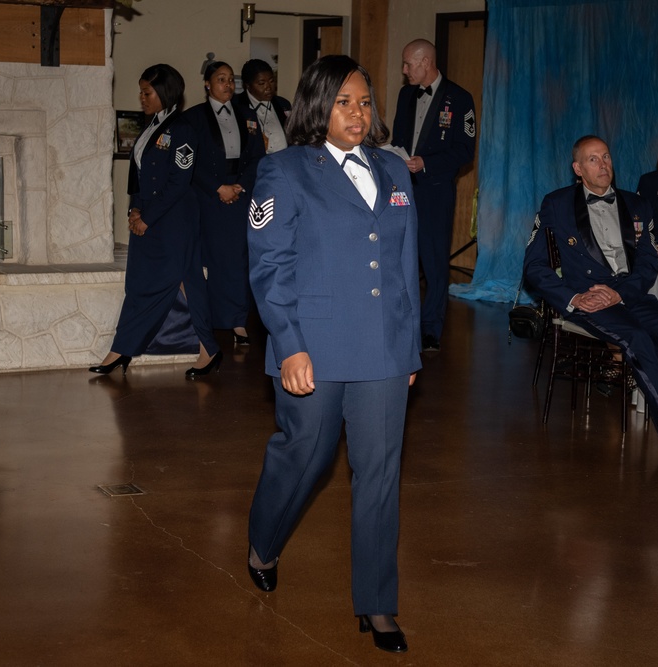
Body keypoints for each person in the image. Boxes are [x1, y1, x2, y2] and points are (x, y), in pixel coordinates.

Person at [245, 55, 420, 653]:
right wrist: (288, 346)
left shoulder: (395, 175)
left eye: (365, 102)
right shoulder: (284, 170)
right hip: (313, 349)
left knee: (379, 474)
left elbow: (403, 269)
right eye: (344, 102)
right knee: (305, 459)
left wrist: (410, 348)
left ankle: (376, 603)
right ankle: (263, 542)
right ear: (319, 106)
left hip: (382, 351)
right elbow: (269, 267)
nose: (357, 113)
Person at [524, 135, 658, 460]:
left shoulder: (636, 204)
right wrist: (574, 298)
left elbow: (649, 263)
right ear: (577, 168)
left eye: (606, 157)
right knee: (636, 337)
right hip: (587, 298)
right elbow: (535, 267)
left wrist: (620, 293)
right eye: (593, 160)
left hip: (627, 295)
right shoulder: (557, 203)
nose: (603, 165)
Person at [90, 64, 222, 379]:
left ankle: (205, 350)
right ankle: (123, 350)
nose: (142, 97)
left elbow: (179, 181)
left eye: (147, 92)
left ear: (164, 93)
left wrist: (146, 217)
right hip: (149, 216)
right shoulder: (151, 126)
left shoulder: (183, 128)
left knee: (181, 281)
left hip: (175, 220)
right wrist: (133, 211)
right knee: (142, 282)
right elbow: (138, 176)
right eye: (141, 91)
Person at [391, 38, 476, 352]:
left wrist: (427, 163)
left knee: (435, 262)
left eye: (408, 64)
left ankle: (430, 330)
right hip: (404, 190)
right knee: (401, 258)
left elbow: (464, 151)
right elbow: (399, 137)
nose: (404, 71)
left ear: (425, 62)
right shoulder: (405, 95)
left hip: (436, 191)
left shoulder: (460, 98)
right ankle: (403, 323)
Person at [182, 61, 265, 346]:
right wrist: (218, 187)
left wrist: (240, 185)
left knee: (239, 259)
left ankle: (237, 321)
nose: (228, 84)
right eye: (221, 79)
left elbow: (258, 155)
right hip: (209, 195)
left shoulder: (247, 114)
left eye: (231, 80)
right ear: (207, 84)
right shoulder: (193, 117)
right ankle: (208, 319)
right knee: (212, 259)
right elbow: (187, 161)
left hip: (240, 192)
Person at [232, 58, 291, 155]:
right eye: (261, 83)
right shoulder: (236, 106)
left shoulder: (283, 104)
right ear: (248, 85)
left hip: (283, 163)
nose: (268, 87)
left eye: (272, 81)